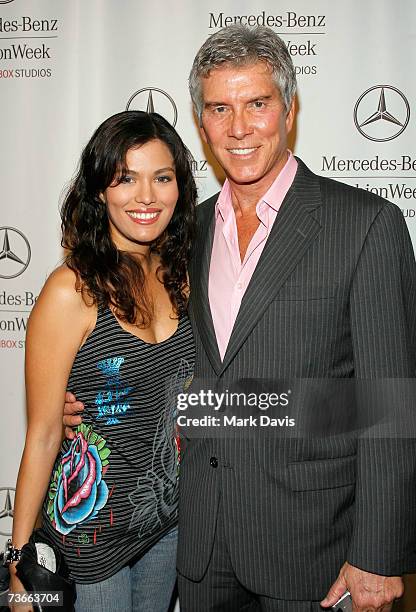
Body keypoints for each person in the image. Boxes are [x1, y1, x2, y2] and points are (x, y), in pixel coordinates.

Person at [64, 25, 416, 612]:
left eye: (257, 104)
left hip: (315, 545)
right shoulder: (184, 232)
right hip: (200, 542)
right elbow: (163, 356)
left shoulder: (366, 224)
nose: (239, 128)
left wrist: (377, 554)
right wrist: (84, 401)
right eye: (220, 109)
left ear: (289, 108)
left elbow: (391, 403)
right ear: (202, 123)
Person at [9, 110, 196, 612]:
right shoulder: (70, 291)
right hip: (90, 537)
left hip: (167, 522)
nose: (147, 197)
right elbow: (45, 432)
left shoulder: (184, 274)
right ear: (99, 191)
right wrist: (18, 559)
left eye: (162, 177)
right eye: (126, 179)